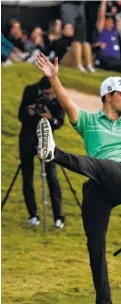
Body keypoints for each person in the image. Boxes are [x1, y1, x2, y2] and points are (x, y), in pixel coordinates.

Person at [35, 52, 121, 304]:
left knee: (102, 165)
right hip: (97, 186)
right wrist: (54, 78)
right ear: (108, 96)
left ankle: (54, 154)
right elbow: (67, 102)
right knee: (95, 245)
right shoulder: (89, 122)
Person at [18, 76, 65, 228]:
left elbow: (59, 122)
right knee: (27, 177)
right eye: (48, 94)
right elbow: (21, 116)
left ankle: (58, 216)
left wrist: (49, 118)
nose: (50, 96)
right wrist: (31, 111)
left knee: (52, 176)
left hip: (46, 138)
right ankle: (32, 215)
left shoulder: (58, 95)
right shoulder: (30, 90)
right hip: (27, 138)